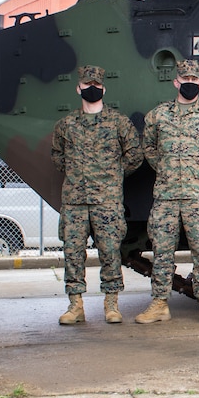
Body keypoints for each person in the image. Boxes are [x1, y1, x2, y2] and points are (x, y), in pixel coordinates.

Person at [135, 59, 199, 324]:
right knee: (162, 251)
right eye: (185, 80)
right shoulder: (158, 116)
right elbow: (149, 149)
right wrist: (167, 170)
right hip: (166, 196)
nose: (189, 84)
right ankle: (159, 304)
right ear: (176, 82)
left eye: (194, 81)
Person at [51, 65, 143, 325]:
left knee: (110, 252)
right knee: (73, 253)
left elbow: (134, 155)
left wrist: (112, 176)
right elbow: (57, 156)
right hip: (75, 202)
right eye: (87, 85)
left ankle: (111, 304)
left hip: (107, 201)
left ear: (103, 88)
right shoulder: (66, 125)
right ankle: (75, 305)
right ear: (79, 88)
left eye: (97, 85)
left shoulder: (118, 122)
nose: (92, 89)